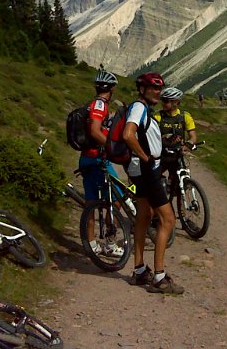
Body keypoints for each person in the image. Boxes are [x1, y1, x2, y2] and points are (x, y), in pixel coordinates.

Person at [123, 72, 184, 294]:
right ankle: (158, 277)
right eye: (152, 88)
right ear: (142, 89)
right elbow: (128, 135)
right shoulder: (139, 108)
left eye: (159, 88)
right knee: (167, 219)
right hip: (147, 170)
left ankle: (139, 270)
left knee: (144, 216)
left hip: (139, 169)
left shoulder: (141, 108)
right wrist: (146, 156)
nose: (157, 92)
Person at [78, 69, 123, 257]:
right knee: (117, 198)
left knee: (91, 202)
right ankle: (110, 244)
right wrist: (111, 147)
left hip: (87, 158)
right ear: (111, 88)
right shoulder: (99, 105)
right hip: (97, 159)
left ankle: (91, 244)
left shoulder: (94, 104)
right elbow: (96, 130)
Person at [155, 87, 197, 180]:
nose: (163, 104)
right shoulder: (157, 116)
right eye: (163, 100)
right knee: (152, 181)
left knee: (180, 183)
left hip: (177, 155)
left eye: (166, 101)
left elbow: (193, 136)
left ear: (176, 102)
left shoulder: (185, 116)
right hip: (161, 155)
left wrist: (188, 144)